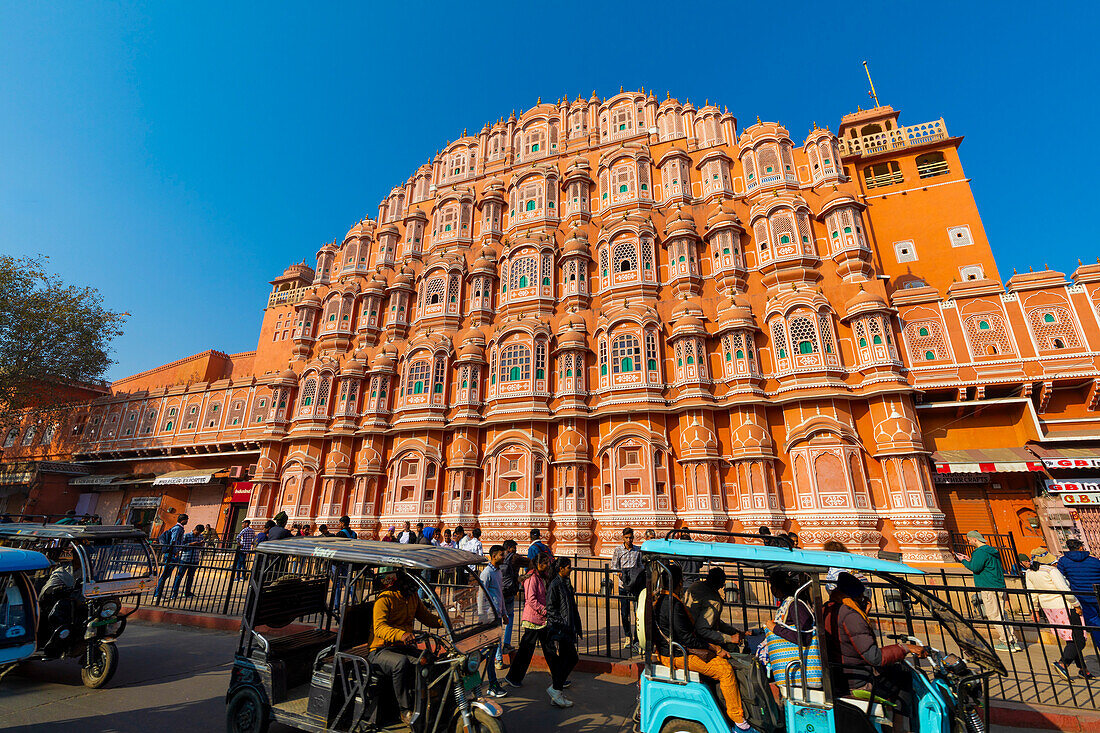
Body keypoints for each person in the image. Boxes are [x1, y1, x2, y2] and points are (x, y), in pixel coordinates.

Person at [652, 563, 750, 731]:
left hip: (671, 650)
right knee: (725, 670)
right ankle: (738, 720)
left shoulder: (664, 600)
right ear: (679, 582)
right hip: (676, 654)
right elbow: (688, 639)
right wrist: (715, 648)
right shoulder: (673, 606)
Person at [823, 572, 926, 725]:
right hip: (857, 680)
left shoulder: (828, 608)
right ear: (855, 597)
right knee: (904, 676)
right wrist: (905, 648)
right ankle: (901, 727)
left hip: (841, 674)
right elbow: (874, 657)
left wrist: (863, 615)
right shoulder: (850, 615)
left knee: (895, 671)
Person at [369, 572, 444, 725]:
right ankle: (404, 710)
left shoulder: (413, 597)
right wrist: (400, 635)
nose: (414, 587)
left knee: (429, 659)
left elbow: (426, 617)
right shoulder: (384, 599)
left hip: (402, 647)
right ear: (401, 581)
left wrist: (445, 622)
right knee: (400, 663)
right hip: (380, 651)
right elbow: (379, 628)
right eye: (410, 582)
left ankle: (428, 702)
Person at [1019, 549, 1092, 679]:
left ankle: (1083, 669)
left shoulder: (1030, 573)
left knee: (1072, 638)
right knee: (1079, 640)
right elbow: (1063, 589)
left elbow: (1032, 593)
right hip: (1064, 605)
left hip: (1049, 608)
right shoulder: (1051, 571)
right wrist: (1076, 604)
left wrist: (1034, 609)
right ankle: (1063, 663)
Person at [957, 530, 1021, 651]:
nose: (969, 542)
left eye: (969, 540)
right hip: (999, 585)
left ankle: (1006, 642)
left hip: (988, 586)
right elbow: (983, 565)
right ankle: (1013, 640)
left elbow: (975, 568)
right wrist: (970, 559)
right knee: (1002, 614)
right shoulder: (990, 551)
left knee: (994, 614)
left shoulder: (980, 552)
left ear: (974, 539)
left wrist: (963, 561)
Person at [504, 551, 557, 690]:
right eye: (544, 563)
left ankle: (559, 677)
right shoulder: (532, 578)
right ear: (538, 564)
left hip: (542, 619)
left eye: (547, 563)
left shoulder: (542, 577)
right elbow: (531, 600)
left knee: (550, 649)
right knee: (525, 651)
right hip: (533, 619)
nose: (547, 565)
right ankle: (513, 677)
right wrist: (545, 610)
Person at [760, 570, 819, 688]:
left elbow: (804, 637)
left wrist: (775, 629)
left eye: (772, 586)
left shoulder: (795, 605)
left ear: (777, 587)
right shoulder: (787, 604)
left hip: (799, 667)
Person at [546, 557, 582, 708]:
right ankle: (556, 689)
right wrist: (562, 623)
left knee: (568, 659)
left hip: (568, 628)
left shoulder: (565, 583)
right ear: (561, 568)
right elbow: (551, 609)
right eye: (568, 567)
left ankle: (556, 690)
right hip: (562, 629)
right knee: (571, 658)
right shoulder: (555, 584)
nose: (570, 569)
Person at [1055, 538, 1100, 650]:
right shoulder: (1094, 561)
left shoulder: (1063, 561)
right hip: (1097, 595)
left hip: (1082, 597)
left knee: (1094, 625)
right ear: (1081, 548)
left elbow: (1061, 578)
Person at [685, 567, 742, 653]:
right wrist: (729, 639)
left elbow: (714, 621)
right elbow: (703, 630)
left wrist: (733, 631)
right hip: (696, 639)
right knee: (733, 648)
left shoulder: (696, 586)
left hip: (687, 632)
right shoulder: (714, 601)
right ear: (719, 584)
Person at [476, 545, 508, 697]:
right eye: (502, 555)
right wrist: (482, 616)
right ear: (494, 556)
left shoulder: (498, 572)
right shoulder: (486, 573)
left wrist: (504, 613)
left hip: (497, 616)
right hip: (489, 618)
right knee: (490, 651)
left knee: (492, 650)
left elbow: (499, 594)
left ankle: (476, 670)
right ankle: (492, 684)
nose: (504, 557)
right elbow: (481, 596)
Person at [611, 527, 642, 653]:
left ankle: (636, 638)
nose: (629, 540)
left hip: (635, 586)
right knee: (624, 613)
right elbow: (614, 566)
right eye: (627, 538)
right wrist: (620, 575)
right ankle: (627, 636)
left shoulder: (638, 551)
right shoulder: (618, 550)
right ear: (623, 538)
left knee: (637, 613)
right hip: (623, 586)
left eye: (631, 537)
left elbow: (640, 565)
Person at [153, 513, 189, 599]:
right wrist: (176, 551)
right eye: (186, 519)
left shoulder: (178, 528)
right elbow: (173, 541)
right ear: (183, 520)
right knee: (165, 574)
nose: (187, 521)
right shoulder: (177, 529)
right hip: (171, 554)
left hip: (172, 553)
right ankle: (157, 594)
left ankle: (158, 593)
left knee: (166, 574)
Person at [498, 539, 520, 667]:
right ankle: (505, 645)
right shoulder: (513, 558)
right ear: (510, 548)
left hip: (500, 594)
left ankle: (499, 657)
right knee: (509, 618)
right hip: (508, 593)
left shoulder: (498, 564)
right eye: (514, 548)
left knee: (498, 624)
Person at [172, 524, 205, 598]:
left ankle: (187, 592)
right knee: (180, 576)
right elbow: (181, 546)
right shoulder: (187, 536)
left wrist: (201, 544)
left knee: (190, 577)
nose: (198, 534)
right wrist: (191, 544)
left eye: (200, 533)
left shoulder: (201, 537)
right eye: (197, 532)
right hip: (185, 558)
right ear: (195, 529)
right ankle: (175, 592)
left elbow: (202, 548)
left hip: (195, 558)